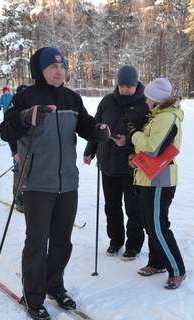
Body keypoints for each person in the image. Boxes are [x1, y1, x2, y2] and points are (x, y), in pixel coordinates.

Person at [0, 47, 115, 320]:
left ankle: (54, 286)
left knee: (62, 242)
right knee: (37, 244)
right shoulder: (24, 97)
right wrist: (27, 116)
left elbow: (85, 124)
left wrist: (98, 131)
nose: (59, 71)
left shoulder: (71, 98)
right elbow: (6, 132)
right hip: (38, 183)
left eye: (62, 66)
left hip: (68, 183)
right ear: (40, 70)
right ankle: (33, 295)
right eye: (53, 67)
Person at [83, 65, 149, 261]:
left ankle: (134, 245)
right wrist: (90, 151)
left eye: (129, 86)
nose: (124, 90)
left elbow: (148, 137)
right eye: (121, 86)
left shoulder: (146, 104)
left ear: (136, 84)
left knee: (133, 208)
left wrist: (127, 142)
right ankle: (116, 241)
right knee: (111, 206)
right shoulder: (107, 101)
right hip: (107, 164)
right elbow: (96, 128)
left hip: (131, 167)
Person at [128, 78, 187, 290]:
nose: (145, 101)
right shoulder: (158, 116)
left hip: (160, 181)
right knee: (151, 224)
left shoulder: (166, 117)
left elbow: (153, 148)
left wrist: (135, 135)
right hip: (149, 177)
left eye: (148, 98)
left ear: (156, 99)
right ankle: (157, 262)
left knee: (158, 227)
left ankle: (177, 270)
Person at [0, 86, 24, 211]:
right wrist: (15, 151)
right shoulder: (14, 111)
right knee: (19, 173)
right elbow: (9, 134)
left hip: (33, 150)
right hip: (19, 150)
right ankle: (18, 200)